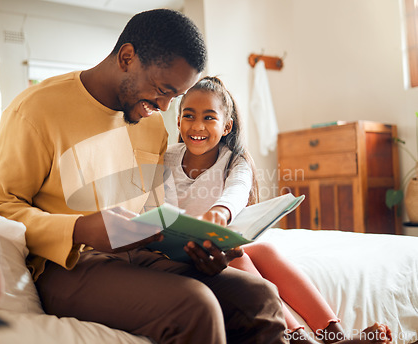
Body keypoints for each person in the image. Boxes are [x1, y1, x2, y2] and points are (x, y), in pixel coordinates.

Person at [0, 9, 289, 344]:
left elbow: (155, 208)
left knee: (260, 297)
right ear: (127, 57)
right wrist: (80, 229)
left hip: (142, 255)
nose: (167, 107)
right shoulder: (35, 111)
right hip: (68, 265)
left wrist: (194, 249)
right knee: (196, 306)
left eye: (175, 96)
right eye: (162, 89)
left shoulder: (152, 121)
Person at [163, 76, 393, 344]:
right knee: (238, 259)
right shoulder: (167, 157)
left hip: (217, 243)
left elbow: (236, 192)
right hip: (183, 253)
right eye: (189, 116)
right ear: (178, 121)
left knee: (265, 250)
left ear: (226, 126)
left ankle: (334, 336)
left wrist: (219, 213)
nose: (197, 126)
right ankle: (299, 339)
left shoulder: (236, 161)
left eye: (209, 118)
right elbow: (165, 207)